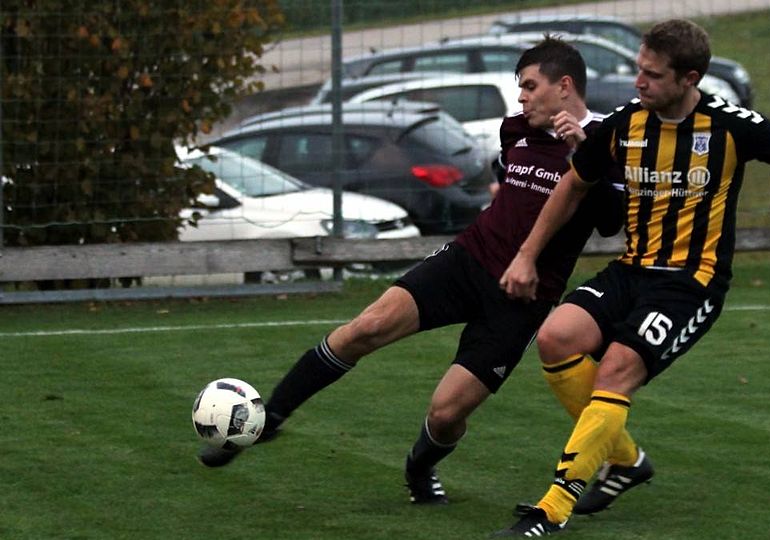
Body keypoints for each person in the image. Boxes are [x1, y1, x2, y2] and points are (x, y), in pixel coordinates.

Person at [196, 36, 624, 505]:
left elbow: (611, 222)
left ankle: (419, 468)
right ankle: (270, 419)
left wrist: (585, 155)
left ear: (564, 86)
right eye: (520, 87)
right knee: (366, 326)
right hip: (467, 261)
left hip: (523, 298)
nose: (521, 97)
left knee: (445, 414)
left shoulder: (605, 139)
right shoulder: (516, 129)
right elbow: (509, 182)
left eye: (529, 86)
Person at [495, 19, 770, 536]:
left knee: (616, 370)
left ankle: (552, 508)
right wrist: (527, 255)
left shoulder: (731, 125)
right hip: (632, 268)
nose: (638, 82)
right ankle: (626, 461)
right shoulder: (624, 124)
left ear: (689, 79)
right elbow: (574, 185)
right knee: (556, 337)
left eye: (652, 74)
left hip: (692, 282)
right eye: (638, 69)